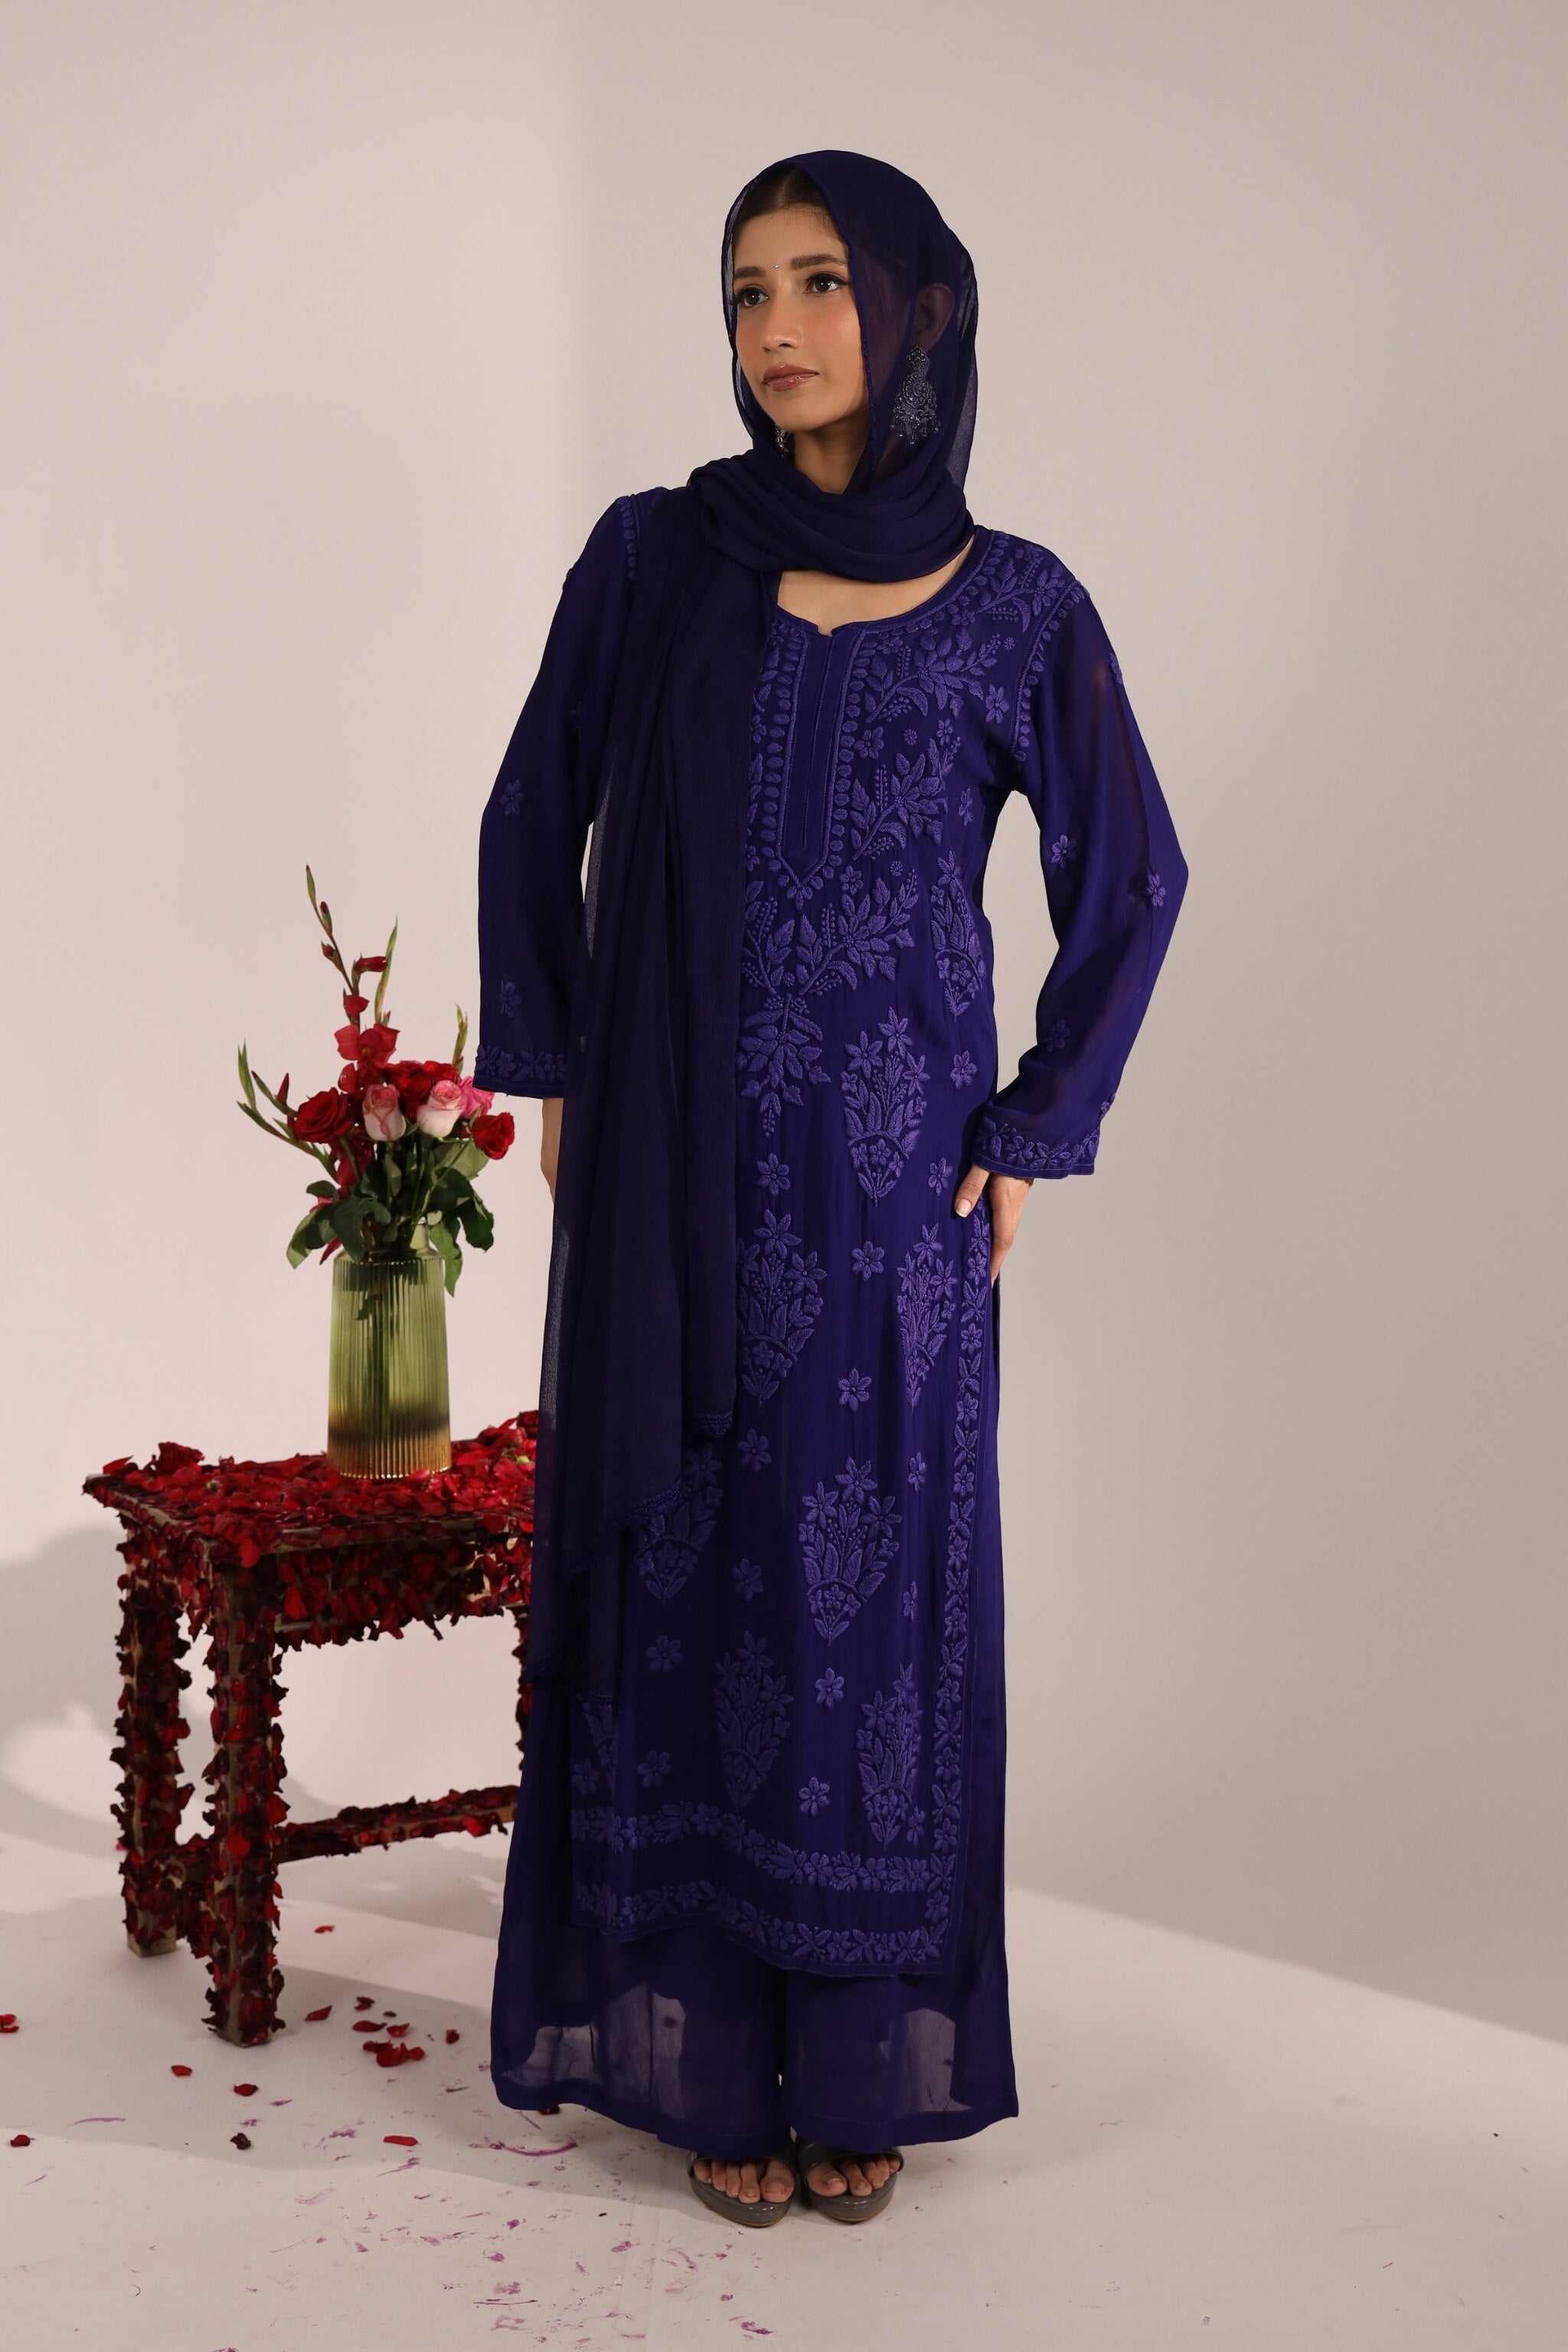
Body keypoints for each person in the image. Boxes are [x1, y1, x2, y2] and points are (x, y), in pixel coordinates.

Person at [476, 149, 1188, 2226]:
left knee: (863, 1606)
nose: (775, 326)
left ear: (915, 307)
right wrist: (553, 1062)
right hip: (674, 1172)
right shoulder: (655, 563)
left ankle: (857, 2047)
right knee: (686, 1575)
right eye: (742, 289)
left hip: (893, 1212)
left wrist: (1038, 1122)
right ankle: (703, 2049)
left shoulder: (1020, 602)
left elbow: (1131, 876)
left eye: (816, 281)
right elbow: (540, 803)